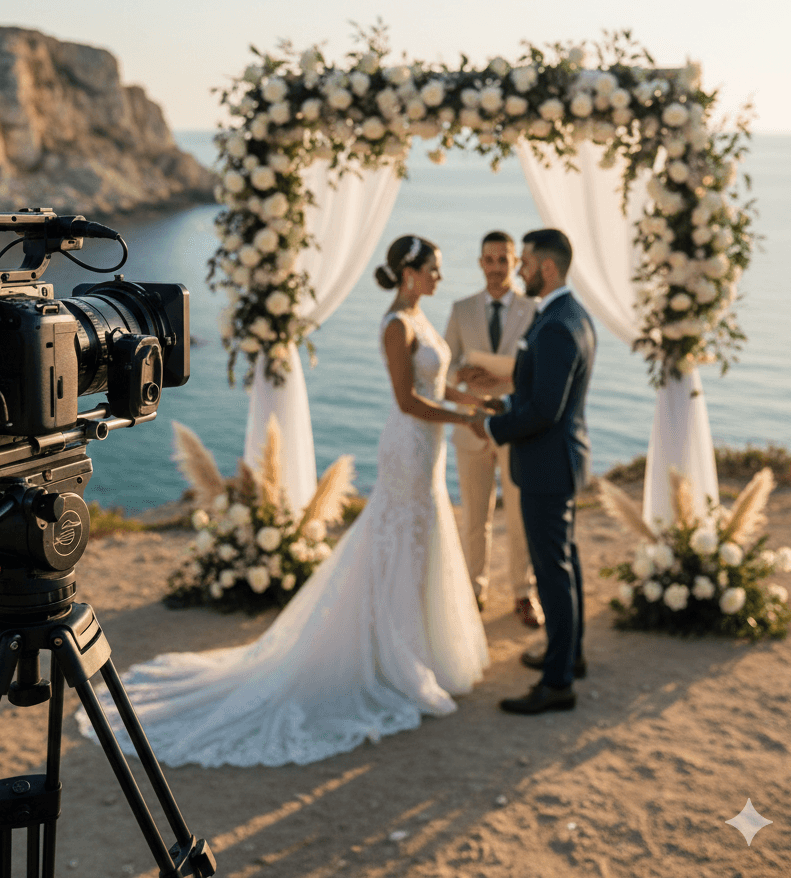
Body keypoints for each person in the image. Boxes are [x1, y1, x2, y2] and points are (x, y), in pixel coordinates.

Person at [78, 235, 490, 767]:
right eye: (433, 268)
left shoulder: (419, 315)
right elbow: (409, 400)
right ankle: (398, 655)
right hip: (409, 444)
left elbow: (436, 382)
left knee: (422, 538)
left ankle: (424, 646)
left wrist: (475, 400)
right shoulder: (396, 325)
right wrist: (465, 420)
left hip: (427, 449)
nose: (439, 275)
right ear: (410, 273)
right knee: (401, 537)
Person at [463, 228, 595, 715]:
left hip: (546, 465)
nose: (518, 271)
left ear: (548, 268)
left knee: (551, 573)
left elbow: (545, 409)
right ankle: (570, 656)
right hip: (559, 460)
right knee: (565, 563)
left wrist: (493, 425)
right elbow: (540, 394)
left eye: (526, 263)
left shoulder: (557, 325)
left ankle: (558, 682)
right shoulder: (568, 314)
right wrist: (504, 403)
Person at [444, 231, 541, 627]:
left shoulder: (533, 309)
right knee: (474, 516)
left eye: (504, 259)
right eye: (490, 259)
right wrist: (462, 375)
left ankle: (523, 592)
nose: (496, 267)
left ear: (515, 262)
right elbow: (443, 366)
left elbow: (539, 371)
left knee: (520, 515)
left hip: (516, 427)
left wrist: (510, 379)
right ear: (481, 263)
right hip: (472, 427)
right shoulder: (462, 309)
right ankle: (473, 589)